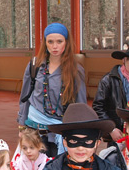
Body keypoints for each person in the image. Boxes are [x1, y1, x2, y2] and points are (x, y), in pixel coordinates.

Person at [18, 23, 87, 156]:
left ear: (66, 43)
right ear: (45, 43)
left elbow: (81, 104)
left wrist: (80, 130)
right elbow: (25, 97)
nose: (54, 46)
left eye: (59, 41)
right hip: (34, 130)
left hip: (60, 131)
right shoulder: (35, 65)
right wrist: (22, 126)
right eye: (50, 42)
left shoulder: (76, 70)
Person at [93, 42, 129, 141]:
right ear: (124, 60)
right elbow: (98, 107)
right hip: (116, 134)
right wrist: (111, 129)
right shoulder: (108, 80)